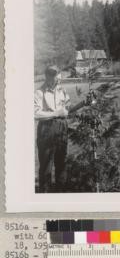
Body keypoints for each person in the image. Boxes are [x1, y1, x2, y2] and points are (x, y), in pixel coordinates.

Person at [34, 65, 70, 193]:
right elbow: (35, 114)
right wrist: (55, 114)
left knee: (62, 163)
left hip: (62, 128)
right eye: (54, 75)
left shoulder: (62, 91)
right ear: (47, 76)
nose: (57, 78)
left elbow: (67, 108)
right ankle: (45, 195)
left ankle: (61, 193)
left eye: (57, 75)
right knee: (46, 166)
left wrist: (68, 111)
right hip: (46, 129)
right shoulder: (39, 92)